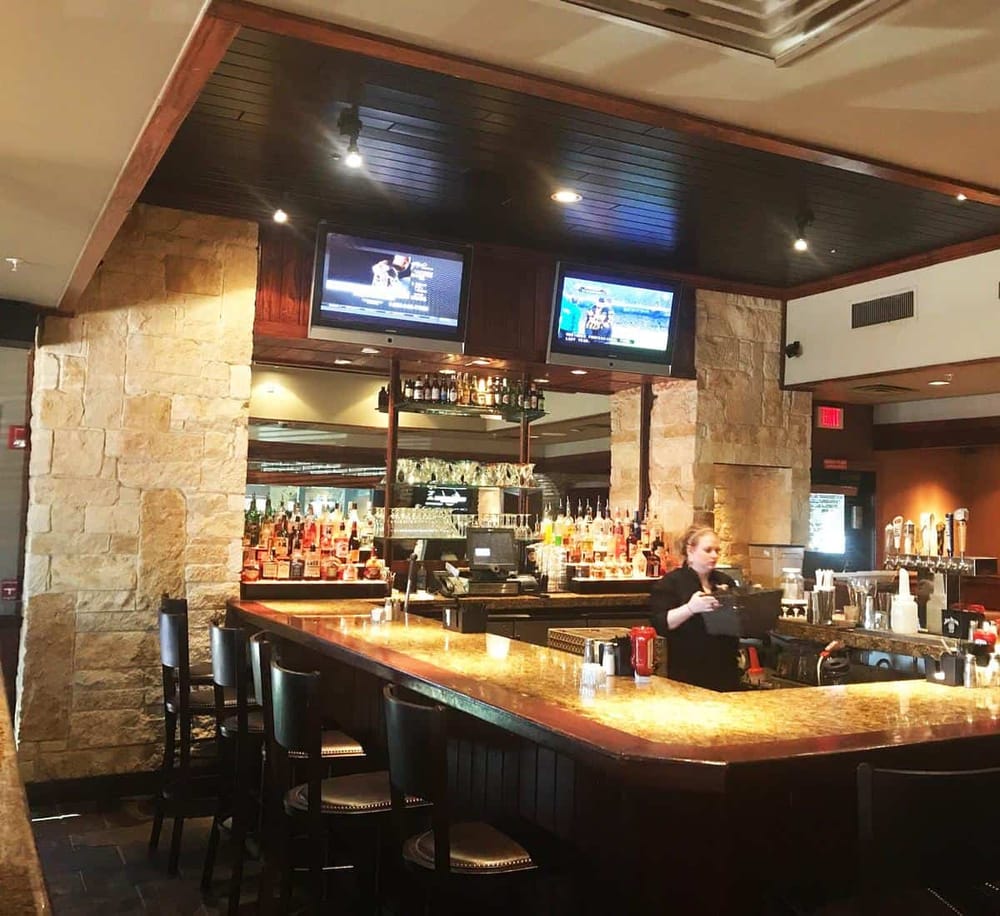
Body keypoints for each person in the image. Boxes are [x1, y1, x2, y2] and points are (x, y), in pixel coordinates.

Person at [649, 525, 738, 692]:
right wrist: (690, 608)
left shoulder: (725, 581)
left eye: (717, 550)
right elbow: (661, 623)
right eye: (708, 550)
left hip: (724, 666)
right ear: (690, 551)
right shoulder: (671, 582)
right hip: (688, 668)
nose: (714, 555)